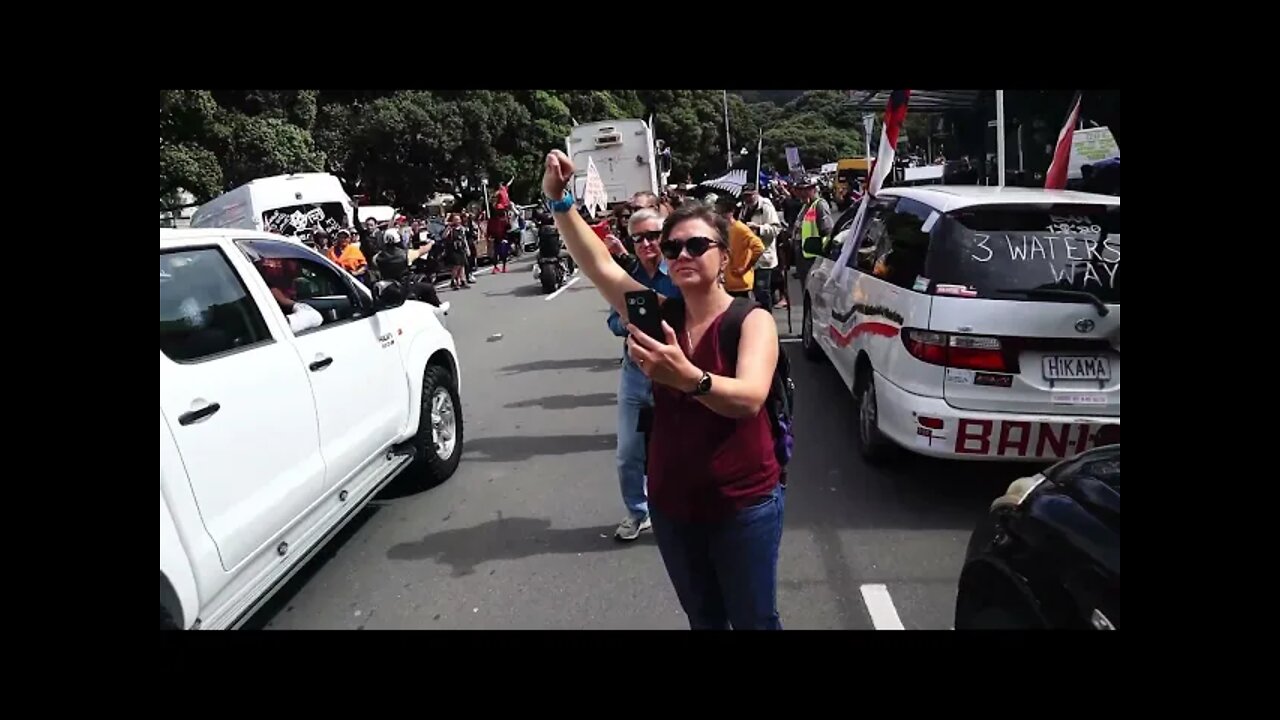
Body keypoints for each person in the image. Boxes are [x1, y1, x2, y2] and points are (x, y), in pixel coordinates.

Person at [543, 150, 784, 630]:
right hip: (673, 507)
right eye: (671, 250)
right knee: (704, 619)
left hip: (744, 504)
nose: (681, 256)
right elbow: (600, 267)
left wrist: (687, 378)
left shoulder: (751, 320)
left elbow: (750, 397)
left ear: (724, 255)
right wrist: (559, 200)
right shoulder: (655, 313)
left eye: (696, 246)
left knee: (755, 620)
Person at [601, 208, 681, 541]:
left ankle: (682, 512)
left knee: (680, 449)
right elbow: (612, 322)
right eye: (639, 239)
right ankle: (638, 511)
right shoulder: (627, 277)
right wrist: (628, 323)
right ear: (632, 243)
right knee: (628, 453)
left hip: (675, 374)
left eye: (653, 236)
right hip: (635, 374)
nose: (647, 244)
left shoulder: (679, 271)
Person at [737, 183, 782, 310]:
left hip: (764, 257)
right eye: (745, 196)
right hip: (749, 257)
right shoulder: (744, 208)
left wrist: (759, 228)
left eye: (750, 195)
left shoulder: (766, 207)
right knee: (753, 292)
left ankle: (766, 319)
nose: (748, 199)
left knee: (762, 292)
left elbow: (776, 229)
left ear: (756, 194)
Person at [714, 196, 766, 300]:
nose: (720, 216)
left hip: (740, 284)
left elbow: (759, 247)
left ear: (731, 212)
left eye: (723, 212)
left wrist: (746, 268)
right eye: (718, 212)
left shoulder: (741, 229)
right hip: (726, 283)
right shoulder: (721, 229)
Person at [792, 175, 833, 286]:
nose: (803, 193)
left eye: (807, 189)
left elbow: (828, 232)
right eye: (800, 190)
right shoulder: (805, 205)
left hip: (813, 258)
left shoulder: (819, 205)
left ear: (814, 189)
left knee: (811, 289)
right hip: (803, 256)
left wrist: (824, 262)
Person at [443, 214, 471, 290]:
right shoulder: (451, 229)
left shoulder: (462, 229)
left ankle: (462, 281)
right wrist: (448, 228)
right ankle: (453, 281)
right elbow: (444, 236)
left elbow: (464, 239)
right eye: (455, 219)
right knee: (456, 266)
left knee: (462, 265)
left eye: (458, 219)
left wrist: (467, 249)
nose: (457, 221)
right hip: (454, 249)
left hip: (461, 248)